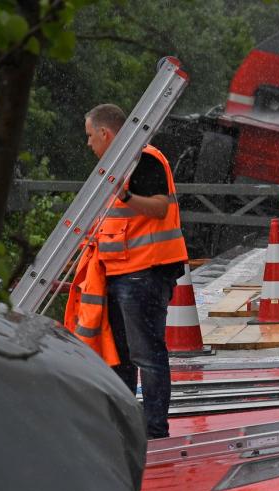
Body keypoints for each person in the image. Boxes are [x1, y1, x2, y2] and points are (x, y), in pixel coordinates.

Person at [72, 103, 187, 439]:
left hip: (145, 272)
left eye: (90, 136)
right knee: (121, 356)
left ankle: (152, 428)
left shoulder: (143, 158)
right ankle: (129, 425)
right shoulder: (114, 168)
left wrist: (124, 194)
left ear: (106, 133)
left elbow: (158, 206)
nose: (88, 144)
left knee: (146, 354)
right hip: (122, 271)